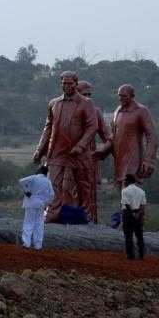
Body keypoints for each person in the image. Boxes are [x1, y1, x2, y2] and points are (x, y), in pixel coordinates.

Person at [32, 71, 97, 222]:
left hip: (78, 153)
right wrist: (39, 150)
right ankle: (52, 213)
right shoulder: (54, 103)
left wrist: (81, 146)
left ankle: (85, 214)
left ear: (76, 83)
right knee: (53, 183)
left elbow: (92, 127)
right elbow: (48, 128)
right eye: (64, 83)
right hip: (57, 151)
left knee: (83, 185)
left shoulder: (86, 103)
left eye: (70, 83)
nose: (66, 86)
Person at [96, 84, 157, 190]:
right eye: (119, 96)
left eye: (124, 96)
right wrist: (101, 152)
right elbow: (113, 137)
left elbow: (152, 136)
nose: (121, 99)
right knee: (123, 195)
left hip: (134, 161)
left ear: (132, 96)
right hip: (119, 161)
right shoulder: (117, 111)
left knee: (130, 193)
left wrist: (148, 160)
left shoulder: (141, 111)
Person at [76, 80, 110, 223]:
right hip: (69, 159)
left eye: (90, 94)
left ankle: (89, 223)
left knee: (89, 197)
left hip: (88, 161)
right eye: (85, 94)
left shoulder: (95, 111)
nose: (88, 97)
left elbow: (108, 137)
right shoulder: (65, 108)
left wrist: (101, 152)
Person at [18, 166, 55, 250]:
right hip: (41, 205)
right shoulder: (48, 182)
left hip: (31, 203)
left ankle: (26, 243)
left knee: (28, 222)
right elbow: (52, 195)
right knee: (39, 224)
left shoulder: (34, 178)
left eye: (37, 169)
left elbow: (21, 181)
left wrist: (26, 191)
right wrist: (46, 203)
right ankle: (38, 245)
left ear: (40, 171)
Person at [120, 174, 147, 260]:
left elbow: (126, 204)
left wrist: (132, 214)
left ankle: (130, 255)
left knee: (128, 236)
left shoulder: (125, 191)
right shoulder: (141, 191)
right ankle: (141, 255)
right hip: (139, 214)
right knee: (139, 236)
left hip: (128, 214)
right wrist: (138, 214)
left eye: (125, 180)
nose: (124, 182)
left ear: (127, 181)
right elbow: (143, 205)